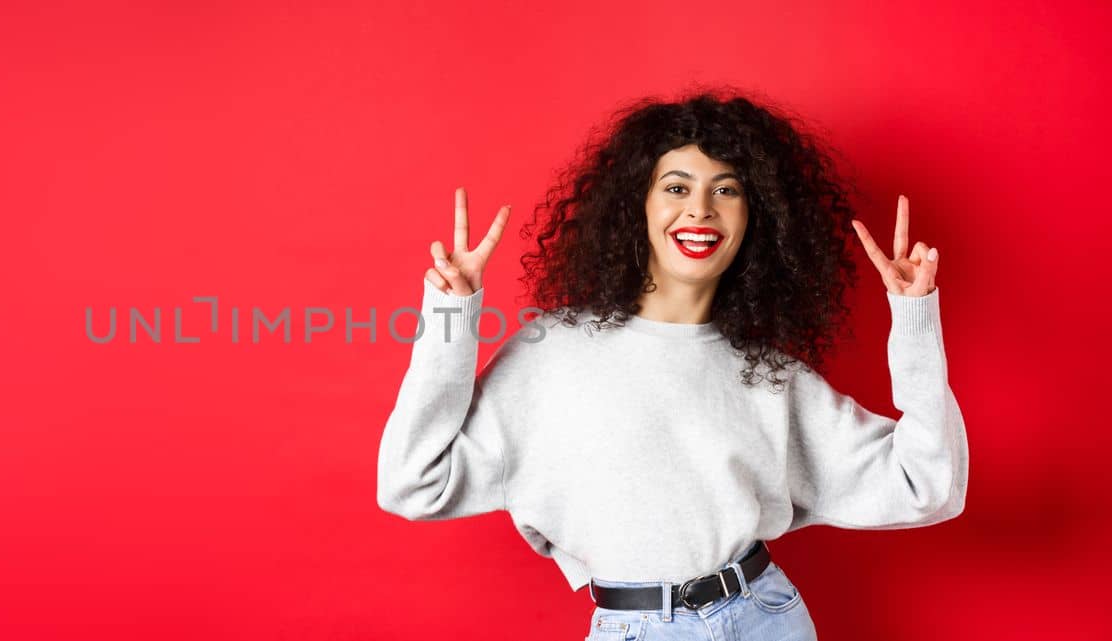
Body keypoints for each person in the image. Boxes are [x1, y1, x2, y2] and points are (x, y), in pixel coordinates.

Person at [374, 90, 969, 640]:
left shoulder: (768, 375)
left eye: (727, 189)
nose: (701, 210)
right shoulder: (553, 352)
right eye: (677, 188)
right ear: (638, 206)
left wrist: (914, 318)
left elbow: (927, 487)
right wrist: (451, 317)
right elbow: (413, 483)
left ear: (754, 216)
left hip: (767, 618)